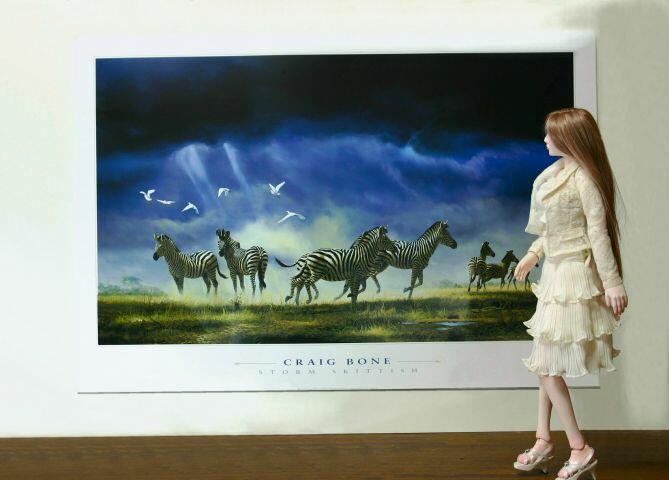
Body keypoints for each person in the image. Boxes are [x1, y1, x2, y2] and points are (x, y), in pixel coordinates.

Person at [512, 108, 629, 479]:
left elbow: (597, 233)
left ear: (570, 138)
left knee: (546, 363)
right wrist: (533, 254)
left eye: (552, 134)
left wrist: (612, 281)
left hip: (574, 276)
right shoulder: (554, 175)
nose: (546, 139)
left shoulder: (585, 179)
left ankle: (579, 448)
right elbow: (553, 229)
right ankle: (544, 439)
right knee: (544, 362)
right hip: (554, 274)